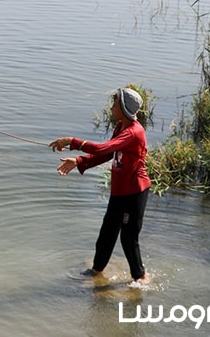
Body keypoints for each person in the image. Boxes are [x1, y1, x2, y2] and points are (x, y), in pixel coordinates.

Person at [49, 87, 151, 285]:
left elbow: (104, 148)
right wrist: (79, 161)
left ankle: (141, 278)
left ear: (123, 108)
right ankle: (97, 271)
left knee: (128, 239)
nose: (111, 108)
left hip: (134, 192)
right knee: (107, 232)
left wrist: (73, 141)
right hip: (119, 191)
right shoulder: (120, 126)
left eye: (114, 104)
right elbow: (106, 155)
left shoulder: (134, 132)